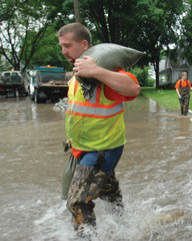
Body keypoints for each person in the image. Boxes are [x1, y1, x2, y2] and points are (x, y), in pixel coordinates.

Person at [58, 23, 140, 234]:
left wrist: (97, 71)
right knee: (111, 198)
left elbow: (133, 88)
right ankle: (130, 232)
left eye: (68, 45)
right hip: (84, 149)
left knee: (77, 202)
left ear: (84, 44)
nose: (63, 51)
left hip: (102, 149)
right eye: (61, 46)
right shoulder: (77, 78)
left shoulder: (103, 71)